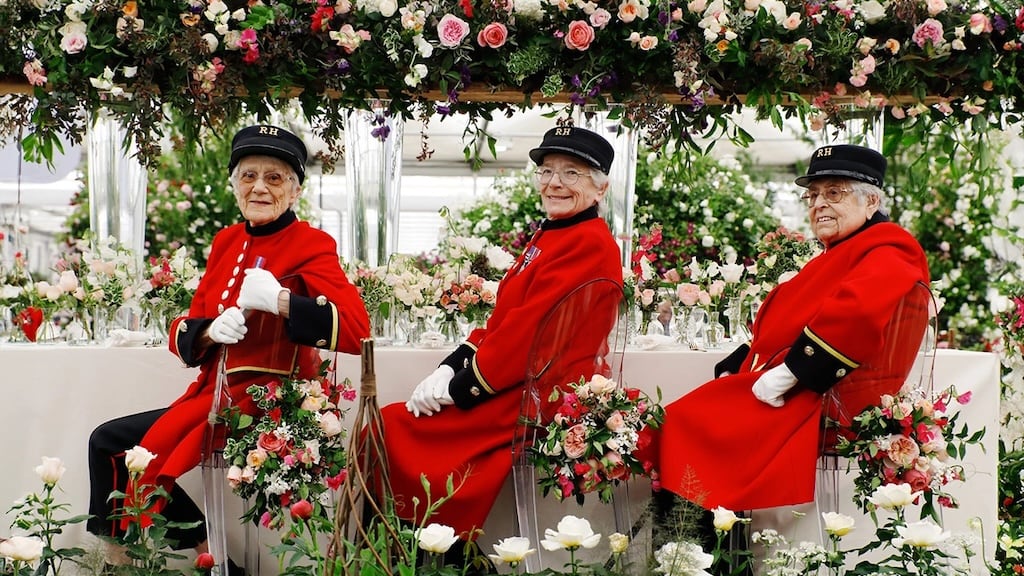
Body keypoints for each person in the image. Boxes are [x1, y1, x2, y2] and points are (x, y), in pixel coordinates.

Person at [86, 125, 371, 567]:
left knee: (127, 447)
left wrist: (280, 301)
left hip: (264, 401)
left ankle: (142, 558)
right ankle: (196, 553)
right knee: (109, 442)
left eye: (274, 178)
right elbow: (187, 321)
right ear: (234, 185)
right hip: (211, 393)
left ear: (294, 192)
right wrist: (208, 330)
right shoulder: (226, 241)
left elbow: (356, 328)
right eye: (249, 176)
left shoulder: (311, 243)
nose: (259, 186)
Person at [650, 144, 930, 522]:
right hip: (801, 386)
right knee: (682, 420)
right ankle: (695, 545)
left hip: (824, 398)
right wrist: (743, 357)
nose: (819, 205)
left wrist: (792, 372)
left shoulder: (892, 246)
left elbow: (857, 313)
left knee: (685, 425)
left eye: (834, 193)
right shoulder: (847, 247)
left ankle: (692, 548)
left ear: (871, 201)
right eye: (813, 195)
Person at [378, 126, 624, 551]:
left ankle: (439, 552)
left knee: (393, 425)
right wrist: (449, 365)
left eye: (572, 173)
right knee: (393, 421)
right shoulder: (554, 234)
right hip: (523, 379)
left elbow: (530, 336)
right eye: (546, 171)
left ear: (600, 187)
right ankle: (429, 547)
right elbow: (504, 321)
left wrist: (460, 386)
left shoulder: (586, 243)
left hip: (541, 391)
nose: (554, 183)